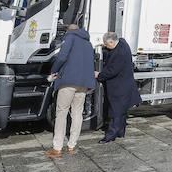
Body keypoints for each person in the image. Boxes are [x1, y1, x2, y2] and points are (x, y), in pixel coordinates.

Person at [45, 24, 95, 157]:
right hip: (83, 83)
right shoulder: (88, 43)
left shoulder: (70, 38)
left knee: (61, 113)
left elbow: (62, 57)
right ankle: (72, 145)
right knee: (77, 112)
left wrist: (54, 70)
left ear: (68, 31)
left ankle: (57, 148)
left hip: (68, 81)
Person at [96, 32, 142, 143]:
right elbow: (112, 50)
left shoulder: (119, 54)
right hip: (125, 85)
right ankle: (121, 132)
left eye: (106, 44)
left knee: (115, 112)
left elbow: (112, 71)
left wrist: (99, 75)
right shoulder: (122, 43)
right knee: (121, 111)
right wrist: (104, 48)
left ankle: (111, 135)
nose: (106, 46)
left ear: (112, 42)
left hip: (119, 87)